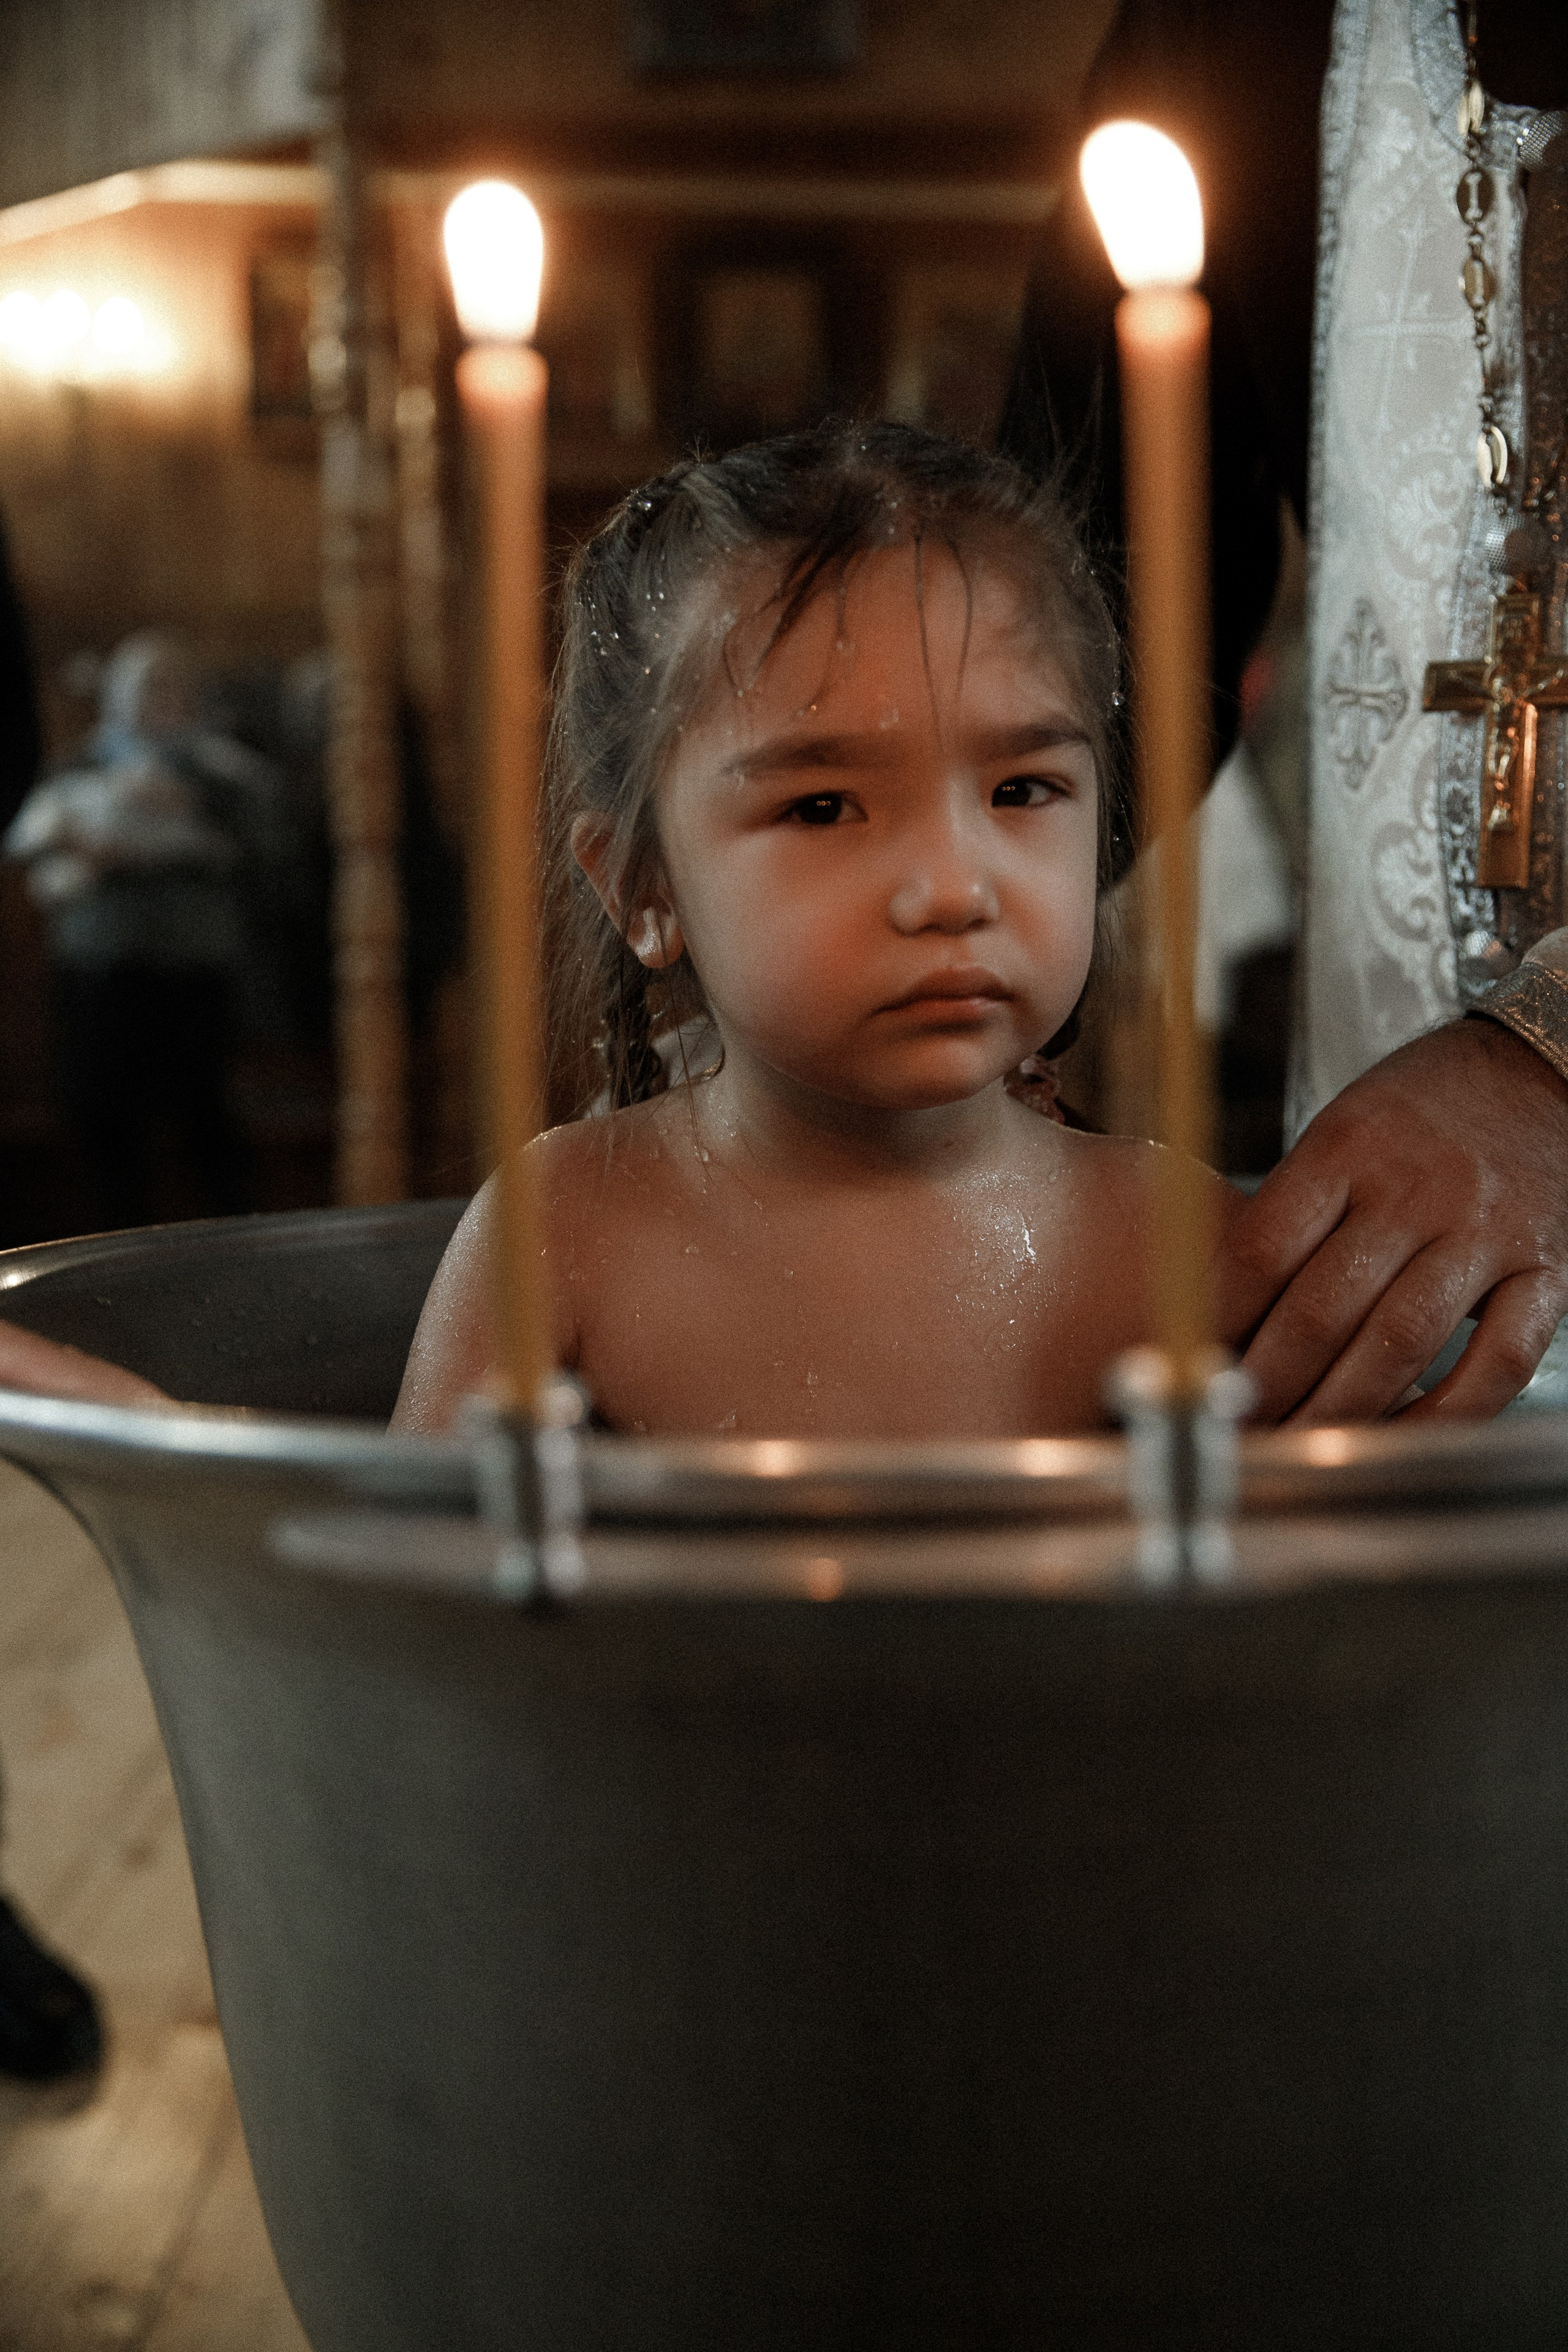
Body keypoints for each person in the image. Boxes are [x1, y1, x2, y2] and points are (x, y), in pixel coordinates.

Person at [395, 422, 1237, 1438]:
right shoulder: (566, 1231)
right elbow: (409, 1579)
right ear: (641, 889)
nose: (953, 890)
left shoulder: (1174, 1238)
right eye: (824, 808)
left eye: (1022, 789)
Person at [1001, 0, 1568, 1428]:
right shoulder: (1220, 39)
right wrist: (937, 946)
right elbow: (1098, 605)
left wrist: (1549, 1052)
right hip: (1387, 1242)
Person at [5, 632, 295, 1231]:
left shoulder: (224, 771)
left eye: (169, 684)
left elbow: (268, 850)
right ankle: (116, 1236)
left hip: (191, 971)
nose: (155, 700)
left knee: (204, 1115)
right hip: (100, 970)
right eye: (142, 687)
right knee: (101, 1115)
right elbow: (32, 844)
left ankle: (227, 1240)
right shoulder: (79, 766)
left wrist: (182, 822)